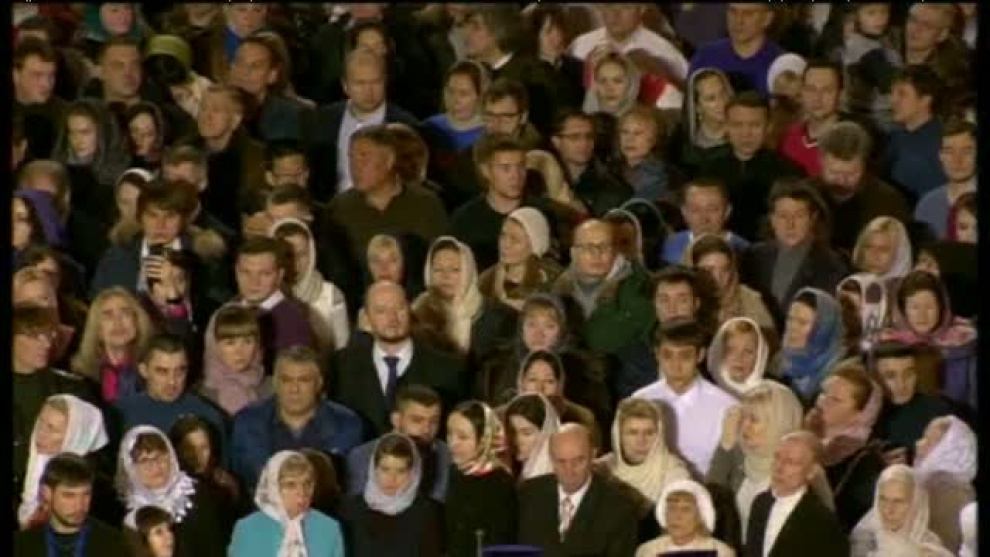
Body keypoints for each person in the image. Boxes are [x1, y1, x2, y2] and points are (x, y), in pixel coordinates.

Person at [332, 281, 464, 438]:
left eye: (399, 309)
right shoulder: (342, 366)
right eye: (381, 311)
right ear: (366, 317)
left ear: (409, 310)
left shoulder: (447, 369)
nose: (392, 318)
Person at [232, 346, 363, 491]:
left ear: (319, 383)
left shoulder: (346, 424)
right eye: (286, 380)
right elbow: (250, 477)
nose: (294, 389)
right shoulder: (247, 422)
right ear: (275, 383)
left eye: (304, 380)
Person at [307, 48, 418, 201]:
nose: (368, 91)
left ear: (385, 81)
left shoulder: (405, 125)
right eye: (360, 83)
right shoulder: (324, 119)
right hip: (332, 207)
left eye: (376, 82)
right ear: (345, 85)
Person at [13, 304, 100, 498]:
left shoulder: (72, 389)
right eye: (34, 336)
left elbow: (92, 451)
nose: (45, 344)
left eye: (48, 335)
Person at [517, 423, 642, 556]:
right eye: (561, 461)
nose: (569, 470)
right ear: (551, 458)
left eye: (578, 460)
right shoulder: (528, 495)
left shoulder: (619, 508)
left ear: (592, 455)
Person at [325, 125, 448, 260]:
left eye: (364, 158)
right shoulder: (340, 208)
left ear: (389, 160)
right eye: (351, 158)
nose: (355, 167)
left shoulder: (426, 204)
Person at [632, 320, 736, 477]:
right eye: (667, 355)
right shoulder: (640, 399)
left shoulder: (726, 406)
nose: (676, 365)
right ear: (657, 354)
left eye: (685, 356)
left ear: (700, 355)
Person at [740, 180, 849, 326]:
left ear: (813, 218)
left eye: (798, 216)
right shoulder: (753, 257)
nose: (790, 224)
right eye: (783, 216)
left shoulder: (831, 264)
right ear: (772, 219)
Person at [701, 92, 804, 242]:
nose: (746, 133)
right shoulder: (708, 168)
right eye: (737, 125)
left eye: (755, 125)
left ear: (768, 127)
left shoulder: (789, 172)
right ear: (726, 126)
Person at [115, 425, 226, 556]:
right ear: (131, 468)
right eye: (144, 460)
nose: (155, 466)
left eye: (160, 457)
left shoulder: (196, 495)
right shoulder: (128, 511)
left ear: (171, 457)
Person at [552, 219, 655, 355]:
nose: (597, 254)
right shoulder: (557, 289)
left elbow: (604, 341)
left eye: (605, 246)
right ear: (573, 253)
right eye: (588, 247)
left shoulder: (639, 287)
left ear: (615, 251)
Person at [804, 364, 885, 531]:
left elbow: (853, 519)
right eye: (824, 393)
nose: (823, 402)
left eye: (835, 400)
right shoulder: (802, 437)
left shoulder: (865, 462)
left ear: (860, 414)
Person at [880, 270, 977, 409]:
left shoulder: (964, 342)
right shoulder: (887, 346)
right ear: (903, 309)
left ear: (941, 307)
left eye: (929, 307)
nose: (922, 315)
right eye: (915, 307)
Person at [743, 431, 849, 557]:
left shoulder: (823, 522)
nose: (779, 467)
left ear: (811, 471)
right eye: (777, 457)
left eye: (791, 462)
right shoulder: (760, 503)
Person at [339, 433, 445, 557]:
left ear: (413, 473)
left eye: (401, 471)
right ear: (374, 469)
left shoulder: (426, 512)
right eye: (385, 469)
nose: (392, 478)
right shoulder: (351, 509)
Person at [815, 121, 909, 254]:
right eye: (833, 173)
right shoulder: (805, 196)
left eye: (851, 174)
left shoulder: (888, 201)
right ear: (821, 162)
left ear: (864, 165)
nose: (842, 180)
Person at [17, 395, 109, 530]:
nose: (40, 433)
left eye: (52, 428)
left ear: (75, 436)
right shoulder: (31, 465)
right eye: (40, 422)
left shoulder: (93, 486)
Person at [229, 450, 345, 557]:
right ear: (273, 487)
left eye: (307, 483)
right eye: (291, 485)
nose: (302, 492)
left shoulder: (329, 528)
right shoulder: (247, 529)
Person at [345, 385, 451, 502]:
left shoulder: (447, 456)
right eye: (417, 420)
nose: (426, 429)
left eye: (434, 421)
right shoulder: (363, 456)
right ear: (396, 419)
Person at [14, 454, 128, 557]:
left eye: (86, 494)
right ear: (46, 493)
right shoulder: (22, 546)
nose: (79, 505)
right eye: (69, 495)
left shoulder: (113, 543)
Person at [444, 400, 518, 554]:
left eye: (462, 437)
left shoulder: (501, 484)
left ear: (485, 438)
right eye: (450, 434)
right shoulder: (455, 472)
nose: (452, 443)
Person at [270, 217, 351, 352]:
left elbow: (342, 349)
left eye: (302, 254)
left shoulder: (331, 295)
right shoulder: (262, 295)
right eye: (288, 255)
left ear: (312, 253)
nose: (295, 262)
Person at [228, 235, 315, 359]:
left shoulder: (295, 324)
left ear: (280, 275)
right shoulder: (225, 311)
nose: (254, 282)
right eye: (246, 272)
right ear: (236, 272)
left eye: (265, 274)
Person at [597, 397, 690, 508]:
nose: (641, 440)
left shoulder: (676, 474)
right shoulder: (602, 467)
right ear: (619, 436)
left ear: (660, 434)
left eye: (649, 433)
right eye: (633, 433)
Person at [872, 342, 952, 463]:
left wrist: (913, 460)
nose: (901, 384)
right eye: (890, 376)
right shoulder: (867, 414)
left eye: (909, 374)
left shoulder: (938, 411)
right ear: (876, 378)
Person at [70, 287, 153, 403]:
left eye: (125, 313)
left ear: (137, 322)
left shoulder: (154, 368)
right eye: (108, 315)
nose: (118, 322)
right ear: (97, 329)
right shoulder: (81, 375)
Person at [850, 464, 953, 556]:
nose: (888, 510)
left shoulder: (930, 552)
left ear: (916, 504)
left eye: (898, 501)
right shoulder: (864, 541)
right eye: (883, 499)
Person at [477, 207, 563, 311]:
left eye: (515, 240)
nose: (505, 244)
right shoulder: (485, 282)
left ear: (534, 246)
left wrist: (503, 299)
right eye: (503, 236)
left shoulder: (553, 282)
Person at [550, 109, 633, 217]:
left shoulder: (615, 190)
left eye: (589, 137)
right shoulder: (543, 181)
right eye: (574, 137)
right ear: (556, 141)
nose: (584, 144)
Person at [689, 4, 784, 97]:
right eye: (733, 11)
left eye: (748, 14)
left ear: (767, 19)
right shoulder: (706, 56)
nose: (738, 21)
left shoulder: (780, 64)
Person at [687, 235, 775, 333]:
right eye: (708, 270)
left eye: (725, 270)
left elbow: (768, 339)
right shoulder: (680, 297)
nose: (717, 278)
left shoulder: (749, 300)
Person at [914, 416, 977, 553]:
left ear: (947, 449)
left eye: (928, 441)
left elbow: (943, 546)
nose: (918, 444)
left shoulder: (947, 488)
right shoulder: (934, 481)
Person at [884, 65, 947, 202]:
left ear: (925, 100)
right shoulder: (895, 136)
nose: (893, 100)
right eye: (892, 93)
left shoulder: (940, 144)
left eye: (902, 94)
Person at [775, 288, 847, 404]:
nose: (792, 327)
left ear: (823, 330)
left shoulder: (839, 377)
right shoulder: (779, 361)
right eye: (790, 319)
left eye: (802, 323)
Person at [168, 415, 241, 526]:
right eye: (189, 449)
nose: (197, 456)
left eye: (203, 448)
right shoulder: (168, 490)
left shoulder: (227, 483)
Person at [199, 304, 270, 417]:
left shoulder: (272, 389)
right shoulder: (203, 398)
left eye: (247, 341)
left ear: (257, 345)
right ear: (214, 346)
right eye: (230, 343)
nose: (239, 352)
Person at [636, 479, 737, 556]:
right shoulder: (647, 551)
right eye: (672, 508)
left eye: (686, 510)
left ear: (700, 516)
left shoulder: (721, 552)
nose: (677, 516)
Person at [662, 177, 750, 266]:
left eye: (712, 209)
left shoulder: (743, 250)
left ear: (727, 211)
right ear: (684, 212)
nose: (704, 219)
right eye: (695, 210)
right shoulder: (673, 245)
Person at [915, 120, 977, 240]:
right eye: (949, 151)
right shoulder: (926, 206)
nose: (957, 160)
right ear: (940, 156)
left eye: (967, 151)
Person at [707, 317, 770, 398]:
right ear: (720, 352)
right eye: (731, 350)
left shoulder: (771, 396)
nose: (739, 358)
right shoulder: (705, 391)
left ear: (759, 356)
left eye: (748, 351)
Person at [503, 393, 561, 481]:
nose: (517, 440)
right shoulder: (514, 471)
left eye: (527, 433)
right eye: (513, 431)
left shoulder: (551, 478)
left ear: (546, 434)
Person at [851, 217, 912, 281]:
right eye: (869, 247)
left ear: (899, 254)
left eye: (883, 250)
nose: (874, 256)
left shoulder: (910, 286)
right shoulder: (852, 283)